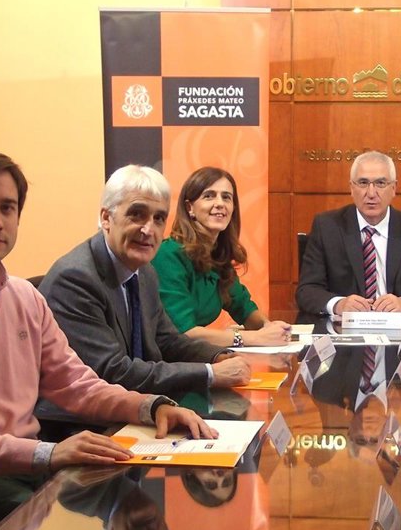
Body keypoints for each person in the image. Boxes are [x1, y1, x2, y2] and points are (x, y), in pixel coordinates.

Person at [0, 150, 211, 530]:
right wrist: (47, 454)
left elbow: (74, 383)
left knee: (120, 488)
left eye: (7, 208)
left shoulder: (23, 296)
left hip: (25, 463)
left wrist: (151, 406)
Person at [38, 164, 251, 397]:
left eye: (158, 218)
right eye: (137, 214)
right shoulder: (76, 278)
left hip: (132, 403)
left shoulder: (145, 272)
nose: (148, 229)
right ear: (106, 218)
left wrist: (218, 356)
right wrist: (209, 373)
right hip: (79, 415)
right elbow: (111, 372)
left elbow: (168, 341)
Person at [296, 151, 401, 317]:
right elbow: (306, 291)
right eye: (363, 183)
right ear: (351, 188)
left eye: (380, 183)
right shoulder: (327, 227)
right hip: (345, 328)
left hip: (400, 328)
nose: (371, 193)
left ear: (394, 188)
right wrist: (338, 304)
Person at [153, 167, 290, 348]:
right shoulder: (168, 255)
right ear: (189, 208)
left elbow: (243, 307)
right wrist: (253, 338)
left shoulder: (217, 256)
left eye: (226, 197)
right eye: (209, 196)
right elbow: (184, 334)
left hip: (195, 357)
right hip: (166, 359)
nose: (220, 203)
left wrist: (268, 327)